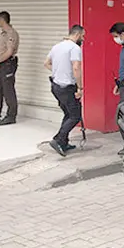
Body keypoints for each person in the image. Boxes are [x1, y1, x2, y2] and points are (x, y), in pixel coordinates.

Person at [44, 25, 85, 157]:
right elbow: (76, 68)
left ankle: (64, 142)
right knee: (75, 116)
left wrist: (59, 72)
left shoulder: (57, 46)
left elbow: (46, 63)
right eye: (83, 36)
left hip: (56, 86)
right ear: (78, 35)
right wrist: (80, 87)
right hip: (67, 88)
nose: (83, 39)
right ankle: (58, 139)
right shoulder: (75, 48)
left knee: (68, 113)